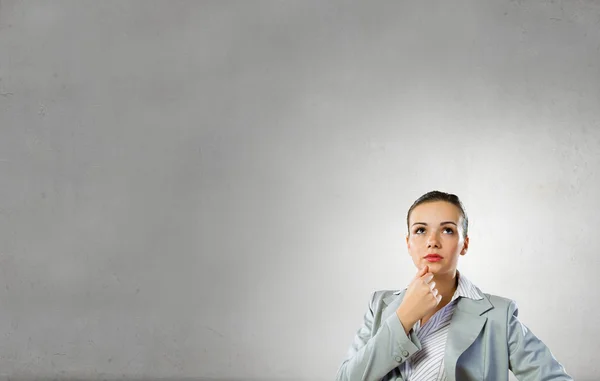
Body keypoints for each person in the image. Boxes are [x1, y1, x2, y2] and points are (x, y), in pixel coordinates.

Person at [335, 190, 573, 381]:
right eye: (420, 230)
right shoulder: (379, 304)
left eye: (447, 230)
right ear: (408, 244)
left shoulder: (498, 315)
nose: (432, 242)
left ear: (464, 244)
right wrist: (403, 318)